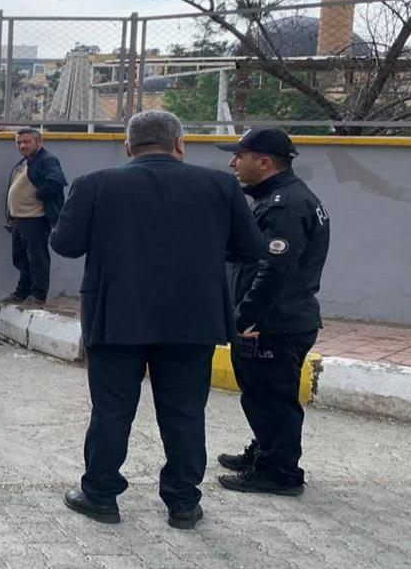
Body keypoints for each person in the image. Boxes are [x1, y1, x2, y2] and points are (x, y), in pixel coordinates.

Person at [49, 110, 265, 531]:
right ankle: (183, 504)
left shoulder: (95, 185)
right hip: (192, 321)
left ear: (129, 147)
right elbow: (250, 248)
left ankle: (100, 494)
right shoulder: (219, 185)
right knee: (185, 412)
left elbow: (65, 243)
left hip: (116, 319)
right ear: (180, 144)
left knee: (111, 411)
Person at [215, 128, 330, 496]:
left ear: (264, 162)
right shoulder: (281, 198)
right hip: (278, 318)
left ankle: (280, 470)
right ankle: (266, 451)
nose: (233, 162)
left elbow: (275, 270)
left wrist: (243, 317)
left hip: (273, 323)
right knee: (261, 394)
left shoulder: (284, 205)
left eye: (240, 155)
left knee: (273, 397)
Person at [5, 128, 67, 309]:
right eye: (19, 142)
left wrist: (38, 196)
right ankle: (22, 292)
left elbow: (56, 181)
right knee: (21, 258)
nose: (22, 145)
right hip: (19, 219)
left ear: (39, 142)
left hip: (34, 218)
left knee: (37, 258)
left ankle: (38, 295)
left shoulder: (47, 160)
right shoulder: (26, 162)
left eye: (26, 141)